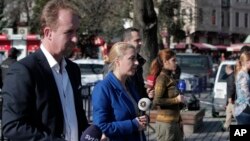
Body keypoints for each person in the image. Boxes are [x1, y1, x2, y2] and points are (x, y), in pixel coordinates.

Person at [1, 0, 89, 140]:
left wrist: (93, 134)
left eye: (76, 31)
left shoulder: (73, 70)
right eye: (69, 32)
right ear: (48, 33)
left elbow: (77, 118)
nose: (75, 39)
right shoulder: (24, 71)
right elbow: (13, 126)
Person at [92, 42, 148, 141]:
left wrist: (144, 119)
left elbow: (136, 115)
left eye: (136, 58)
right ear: (117, 61)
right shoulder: (103, 88)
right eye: (132, 58)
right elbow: (100, 127)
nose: (136, 62)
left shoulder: (130, 85)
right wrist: (133, 124)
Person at [149, 48, 185, 141]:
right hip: (166, 125)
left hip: (175, 123)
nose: (176, 63)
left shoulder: (170, 78)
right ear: (165, 62)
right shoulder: (162, 78)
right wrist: (176, 100)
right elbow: (157, 101)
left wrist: (180, 104)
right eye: (173, 60)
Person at [234, 52, 250, 125]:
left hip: (243, 110)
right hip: (244, 110)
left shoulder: (244, 74)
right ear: (247, 62)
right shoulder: (242, 75)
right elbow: (246, 94)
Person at [222, 65, 236, 131]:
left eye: (225, 70)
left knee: (235, 114)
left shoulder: (231, 77)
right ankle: (226, 126)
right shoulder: (233, 76)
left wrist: (230, 97)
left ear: (228, 69)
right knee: (228, 112)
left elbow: (232, 88)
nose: (225, 72)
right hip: (231, 99)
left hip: (232, 99)